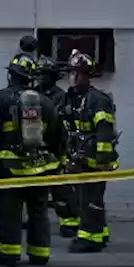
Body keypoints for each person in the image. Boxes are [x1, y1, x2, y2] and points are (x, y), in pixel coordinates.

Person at [0, 54, 65, 267]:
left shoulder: (0, 98)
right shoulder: (45, 102)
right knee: (39, 211)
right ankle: (40, 254)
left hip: (10, 169)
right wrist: (56, 163)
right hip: (39, 169)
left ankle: (9, 254)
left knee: (10, 212)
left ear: (11, 75)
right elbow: (58, 135)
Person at [55, 50, 118, 253]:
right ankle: (99, 232)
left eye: (78, 73)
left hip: (95, 162)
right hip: (78, 160)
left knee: (91, 200)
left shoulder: (97, 100)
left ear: (87, 75)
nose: (73, 77)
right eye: (71, 73)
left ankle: (89, 238)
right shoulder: (70, 99)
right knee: (86, 199)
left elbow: (104, 132)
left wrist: (103, 160)